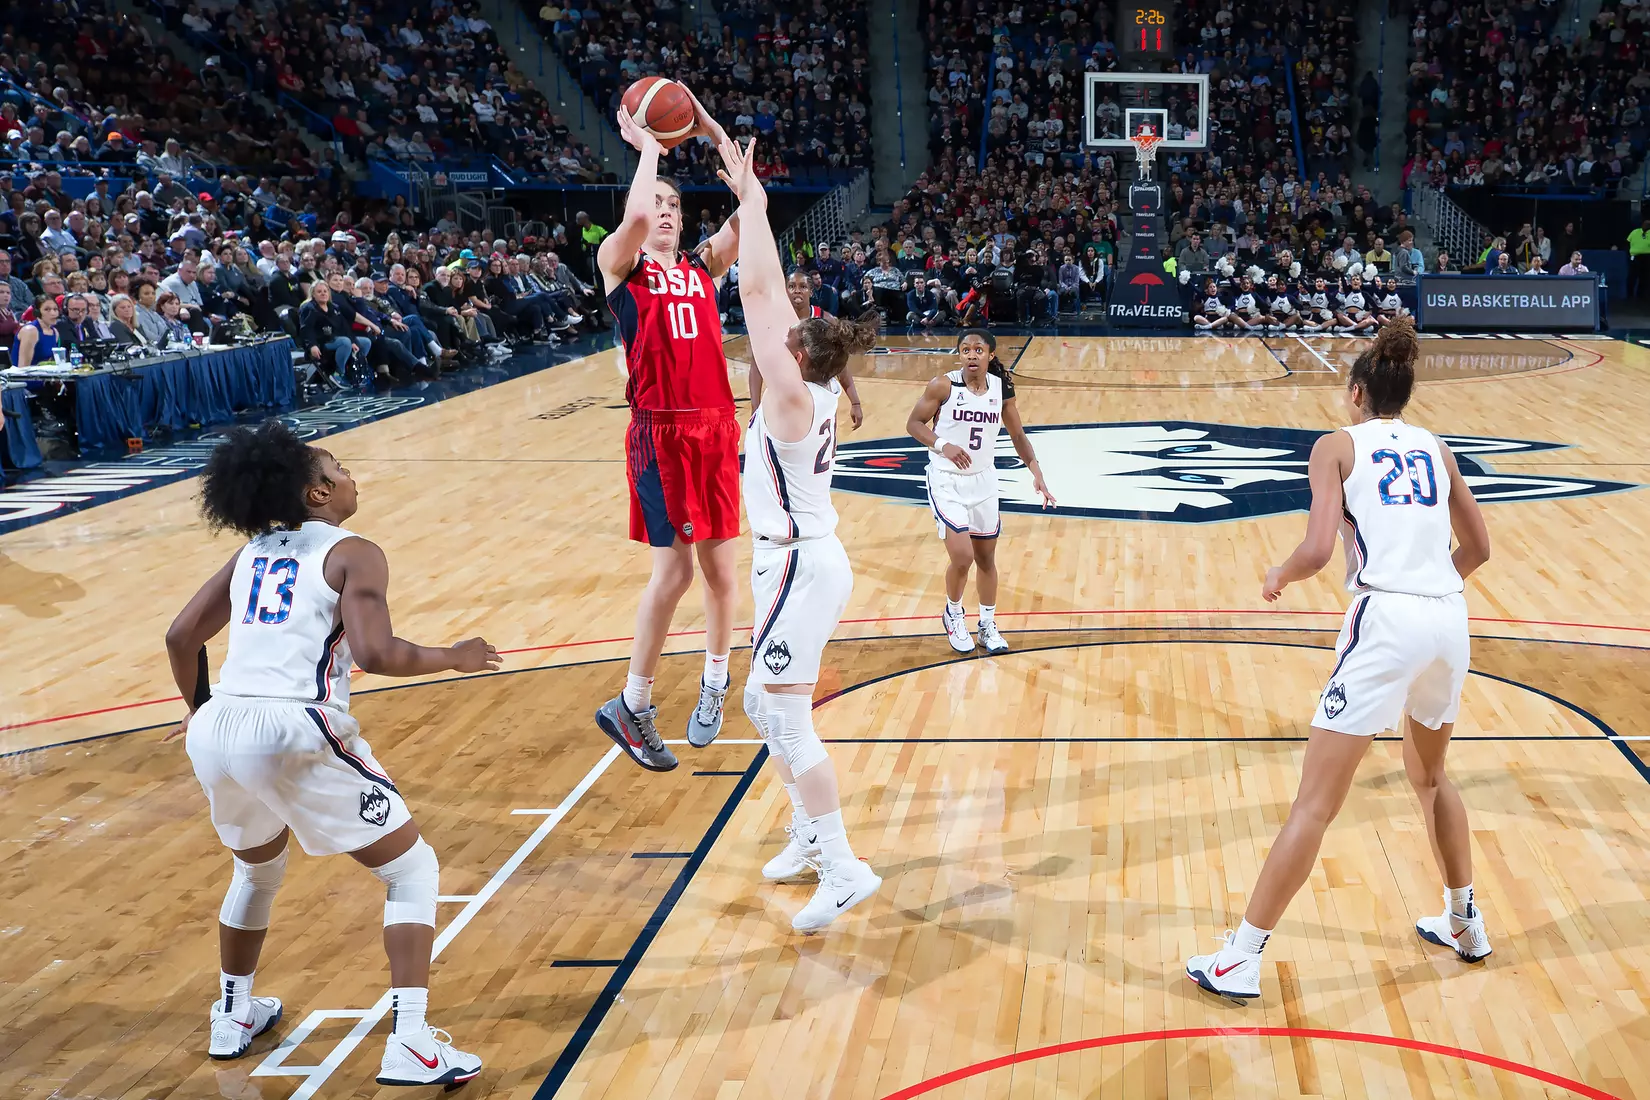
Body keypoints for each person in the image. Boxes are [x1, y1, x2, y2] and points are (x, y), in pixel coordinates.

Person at [163, 421, 500, 1080]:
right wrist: (450, 657)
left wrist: (200, 710)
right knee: (412, 870)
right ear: (317, 493)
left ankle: (232, 1012)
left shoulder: (252, 552)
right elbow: (377, 653)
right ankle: (411, 1041)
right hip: (292, 727)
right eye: (340, 467)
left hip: (221, 729)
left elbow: (180, 637)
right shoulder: (353, 551)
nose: (351, 475)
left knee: (256, 872)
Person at [1186, 319, 1493, 1001]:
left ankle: (1240, 957)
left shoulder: (1335, 446)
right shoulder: (1436, 448)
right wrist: (1430, 590)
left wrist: (1277, 575)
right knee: (1432, 778)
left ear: (1355, 392)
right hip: (1448, 616)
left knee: (1315, 806)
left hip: (1386, 620)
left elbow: (1319, 549)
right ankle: (1465, 922)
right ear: (1403, 393)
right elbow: (1478, 549)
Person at [718, 136, 883, 932]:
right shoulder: (805, 388)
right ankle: (808, 835)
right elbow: (774, 301)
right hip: (791, 563)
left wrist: (753, 210)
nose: (775, 335)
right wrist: (753, 202)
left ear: (800, 359)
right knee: (761, 699)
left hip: (800, 567)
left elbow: (757, 296)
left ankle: (842, 864)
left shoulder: (791, 402)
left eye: (787, 338)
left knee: (784, 714)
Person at [594, 87, 742, 769]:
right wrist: (650, 152)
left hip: (714, 430)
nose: (664, 212)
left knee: (718, 570)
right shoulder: (620, 270)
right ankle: (635, 699)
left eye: (675, 206)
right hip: (661, 434)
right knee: (675, 572)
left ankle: (715, 685)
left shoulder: (700, 270)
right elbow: (629, 215)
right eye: (657, 203)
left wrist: (712, 135)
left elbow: (752, 216)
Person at [905, 329, 1055, 655]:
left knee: (986, 558)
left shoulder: (1001, 390)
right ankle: (953, 613)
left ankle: (987, 625)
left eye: (978, 350)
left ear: (990, 355)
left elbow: (1017, 435)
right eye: (965, 350)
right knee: (962, 557)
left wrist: (1036, 471)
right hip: (946, 478)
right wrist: (943, 445)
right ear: (959, 354)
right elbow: (914, 424)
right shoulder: (943, 385)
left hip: (984, 480)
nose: (971, 355)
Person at [780, 270, 864, 429]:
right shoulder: (775, 319)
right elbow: (757, 367)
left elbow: (841, 365)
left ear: (811, 291)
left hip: (821, 393)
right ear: (785, 290)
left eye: (803, 286)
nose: (797, 290)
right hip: (786, 392)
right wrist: (755, 408)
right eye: (791, 286)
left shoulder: (826, 320)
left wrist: (855, 402)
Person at [12, 295, 60, 367]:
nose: (53, 313)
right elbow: (23, 368)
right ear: (37, 312)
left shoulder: (55, 332)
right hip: (23, 376)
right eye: (47, 309)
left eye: (55, 309)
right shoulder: (30, 331)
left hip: (44, 375)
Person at [1628, 216, 1650, 299]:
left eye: (1648, 224)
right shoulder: (1635, 232)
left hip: (1647, 258)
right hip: (1635, 257)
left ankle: (1641, 295)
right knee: (1632, 276)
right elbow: (1627, 241)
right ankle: (1629, 295)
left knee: (1645, 277)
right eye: (1645, 224)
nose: (1646, 225)